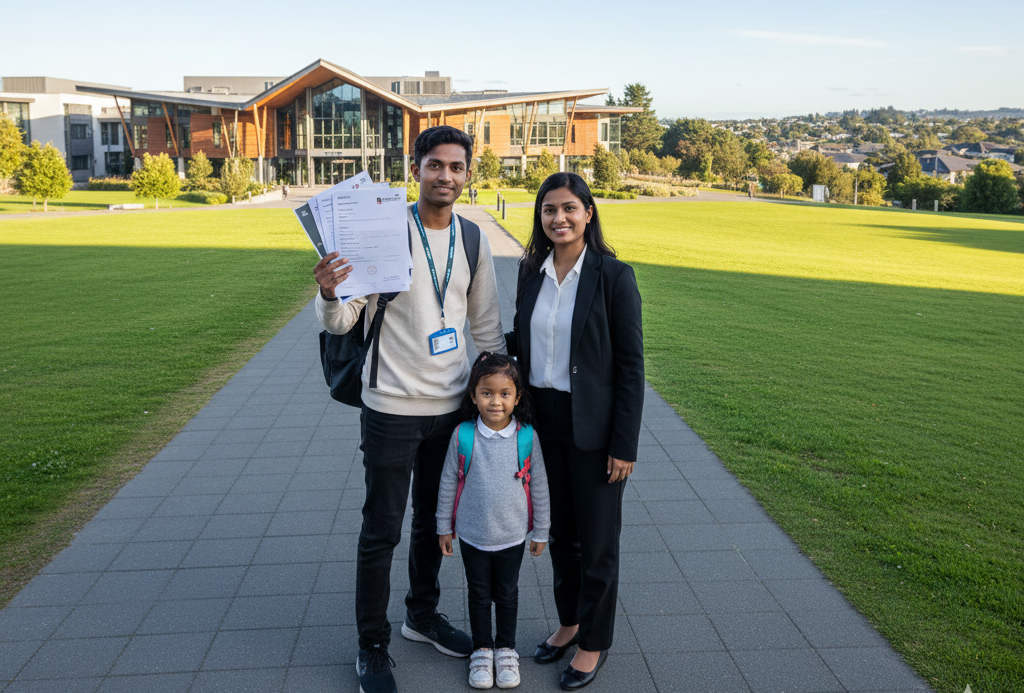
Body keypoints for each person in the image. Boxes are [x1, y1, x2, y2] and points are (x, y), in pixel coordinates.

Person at [313, 126, 507, 693]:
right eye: (435, 165)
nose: (445, 175)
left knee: (433, 523)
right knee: (381, 530)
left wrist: (495, 404)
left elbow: (487, 326)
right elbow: (343, 321)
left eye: (456, 166)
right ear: (415, 167)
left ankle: (421, 617)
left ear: (468, 173)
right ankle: (372, 645)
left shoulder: (473, 239)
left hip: (450, 408)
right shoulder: (382, 232)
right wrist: (328, 292)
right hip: (391, 406)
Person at [505, 172, 644, 691]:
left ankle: (594, 643)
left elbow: (631, 367)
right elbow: (523, 339)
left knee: (598, 541)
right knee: (559, 533)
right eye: (548, 210)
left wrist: (623, 444)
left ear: (588, 212)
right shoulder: (530, 271)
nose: (558, 218)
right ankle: (570, 623)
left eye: (568, 208)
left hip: (596, 430)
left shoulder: (614, 276)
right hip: (542, 423)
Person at [436, 352, 550, 690]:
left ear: (517, 397)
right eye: (487, 393)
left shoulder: (527, 437)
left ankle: (506, 650)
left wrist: (541, 530)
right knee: (478, 593)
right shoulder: (463, 435)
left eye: (504, 393)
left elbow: (540, 484)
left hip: (512, 536)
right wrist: (444, 526)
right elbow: (447, 483)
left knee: (508, 593)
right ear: (473, 395)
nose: (496, 401)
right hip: (472, 535)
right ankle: (482, 650)